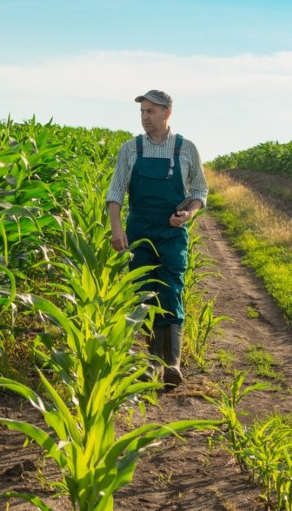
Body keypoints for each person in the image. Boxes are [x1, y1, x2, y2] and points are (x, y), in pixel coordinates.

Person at [106, 89, 208, 388]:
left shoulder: (185, 149)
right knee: (145, 293)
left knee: (172, 290)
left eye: (150, 111)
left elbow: (199, 192)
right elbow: (115, 193)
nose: (145, 117)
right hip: (139, 231)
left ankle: (172, 364)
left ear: (167, 113)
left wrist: (189, 214)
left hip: (172, 234)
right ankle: (153, 363)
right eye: (142, 112)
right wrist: (116, 228)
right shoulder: (130, 149)